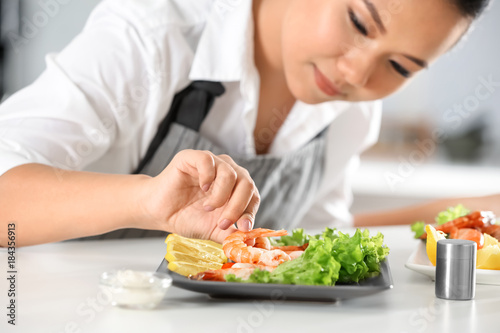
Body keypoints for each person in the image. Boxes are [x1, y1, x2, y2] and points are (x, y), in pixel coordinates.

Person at [0, 0, 495, 247]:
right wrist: (146, 201)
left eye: (401, 67)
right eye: (360, 23)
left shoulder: (352, 109)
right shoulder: (149, 36)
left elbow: (308, 239)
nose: (356, 74)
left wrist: (462, 216)